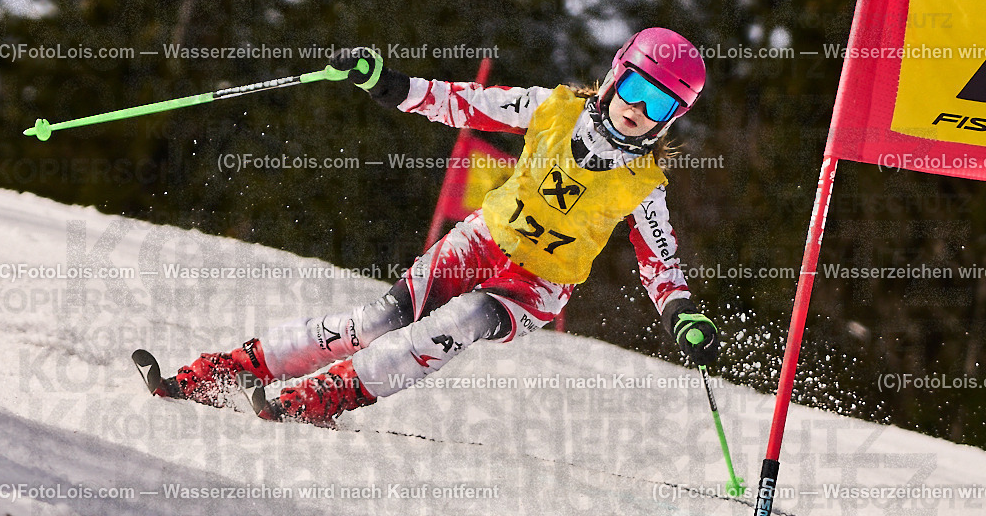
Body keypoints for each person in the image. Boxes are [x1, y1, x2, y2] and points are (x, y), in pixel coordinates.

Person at [156, 28, 720, 427]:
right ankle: (220, 372)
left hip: (537, 285)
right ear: (615, 74)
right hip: (480, 242)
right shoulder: (551, 108)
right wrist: (390, 84)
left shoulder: (645, 183)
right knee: (377, 319)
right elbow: (465, 104)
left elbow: (660, 263)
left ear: (672, 117)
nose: (637, 109)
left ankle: (323, 396)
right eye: (634, 88)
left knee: (462, 319)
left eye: (658, 104)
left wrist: (680, 313)